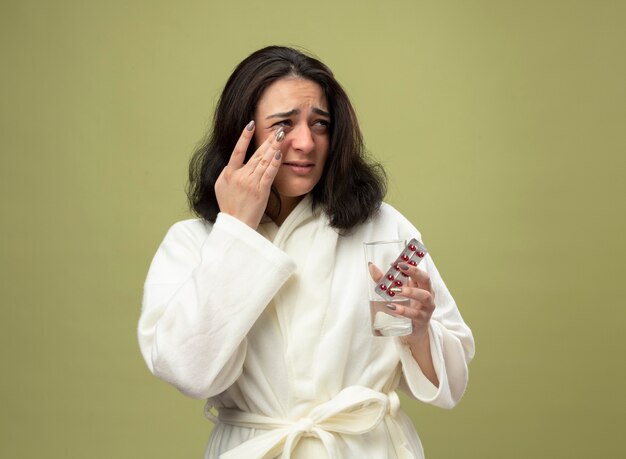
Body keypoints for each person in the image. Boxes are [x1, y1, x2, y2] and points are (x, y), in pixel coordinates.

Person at [138, 45, 475, 458]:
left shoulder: (384, 229)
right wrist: (236, 232)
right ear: (241, 135)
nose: (305, 142)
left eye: (320, 125)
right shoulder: (193, 242)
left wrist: (420, 330)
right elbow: (190, 372)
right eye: (282, 126)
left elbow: (451, 384)